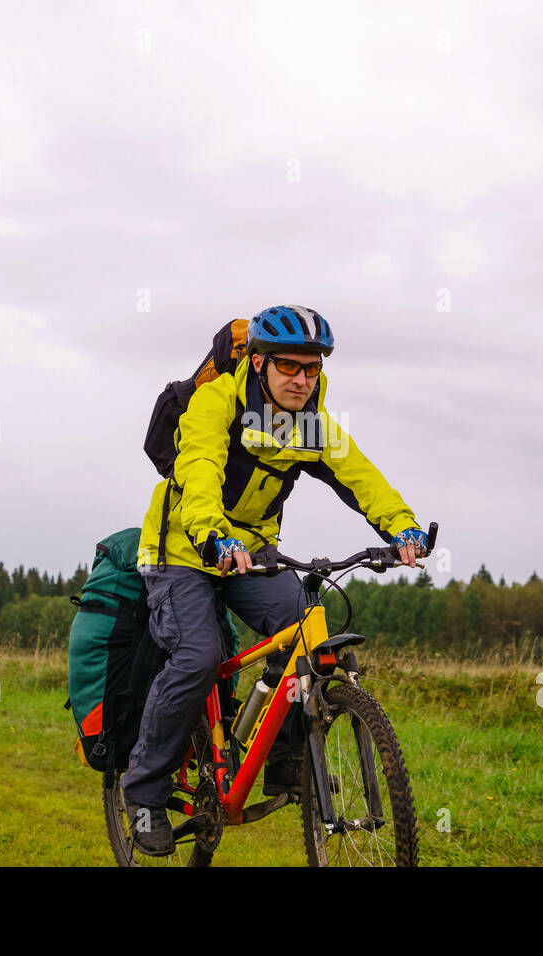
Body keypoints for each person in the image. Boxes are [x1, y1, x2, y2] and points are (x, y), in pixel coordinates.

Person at [123, 304, 429, 856]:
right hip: (182, 548)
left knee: (303, 632)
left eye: (312, 369)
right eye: (289, 366)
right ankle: (144, 792)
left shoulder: (310, 423)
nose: (302, 379)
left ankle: (288, 763)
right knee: (197, 653)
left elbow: (360, 475)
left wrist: (402, 526)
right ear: (259, 363)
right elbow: (198, 476)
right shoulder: (215, 404)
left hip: (254, 552)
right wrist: (216, 536)